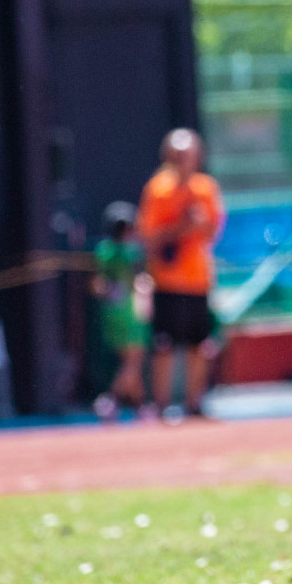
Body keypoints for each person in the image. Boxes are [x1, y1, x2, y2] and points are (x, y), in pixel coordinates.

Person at [137, 129, 224, 418]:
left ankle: (193, 402)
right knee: (164, 345)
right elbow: (148, 238)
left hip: (198, 281)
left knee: (199, 344)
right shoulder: (158, 190)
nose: (183, 160)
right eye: (178, 155)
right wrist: (181, 227)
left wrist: (199, 223)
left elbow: (214, 232)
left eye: (188, 155)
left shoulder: (206, 188)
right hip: (167, 281)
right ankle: (160, 405)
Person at [92, 201, 147, 417]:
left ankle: (140, 406)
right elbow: (141, 279)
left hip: (111, 314)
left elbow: (97, 286)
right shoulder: (133, 252)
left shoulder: (103, 251)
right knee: (133, 362)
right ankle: (110, 401)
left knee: (130, 361)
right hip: (131, 314)